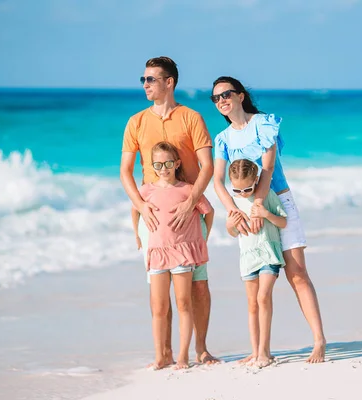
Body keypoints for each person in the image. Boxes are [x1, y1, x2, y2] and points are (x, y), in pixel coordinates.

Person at [211, 76, 327, 363]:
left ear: (240, 96)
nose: (221, 101)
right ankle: (261, 351)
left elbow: (268, 167)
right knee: (257, 286)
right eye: (216, 98)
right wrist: (234, 210)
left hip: (278, 204)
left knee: (297, 274)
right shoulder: (223, 139)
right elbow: (217, 181)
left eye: (226, 94)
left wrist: (259, 204)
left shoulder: (263, 124)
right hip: (248, 211)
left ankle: (319, 341)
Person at [120, 56, 218, 366]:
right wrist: (140, 207)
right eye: (144, 79)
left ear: (169, 82)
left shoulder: (191, 117)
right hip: (154, 217)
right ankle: (163, 354)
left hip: (190, 213)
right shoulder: (136, 121)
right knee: (159, 293)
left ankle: (199, 349)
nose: (145, 84)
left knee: (197, 286)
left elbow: (207, 166)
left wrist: (192, 202)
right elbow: (125, 172)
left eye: (151, 79)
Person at [132, 142, 214, 369]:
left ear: (177, 163)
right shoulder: (146, 190)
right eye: (158, 164)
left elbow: (209, 212)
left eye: (168, 163)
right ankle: (160, 356)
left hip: (182, 254)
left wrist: (200, 239)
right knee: (159, 307)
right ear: (152, 166)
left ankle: (183, 356)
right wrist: (137, 236)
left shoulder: (188, 190)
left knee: (183, 303)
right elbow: (135, 209)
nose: (164, 168)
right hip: (157, 254)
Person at [225, 159, 286, 367]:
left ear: (257, 180)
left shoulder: (266, 196)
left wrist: (266, 214)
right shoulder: (234, 203)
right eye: (237, 190)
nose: (243, 194)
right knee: (252, 305)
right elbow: (233, 233)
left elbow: (283, 221)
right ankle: (254, 351)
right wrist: (231, 225)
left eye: (248, 189)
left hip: (269, 253)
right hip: (248, 258)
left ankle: (265, 351)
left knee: (263, 296)